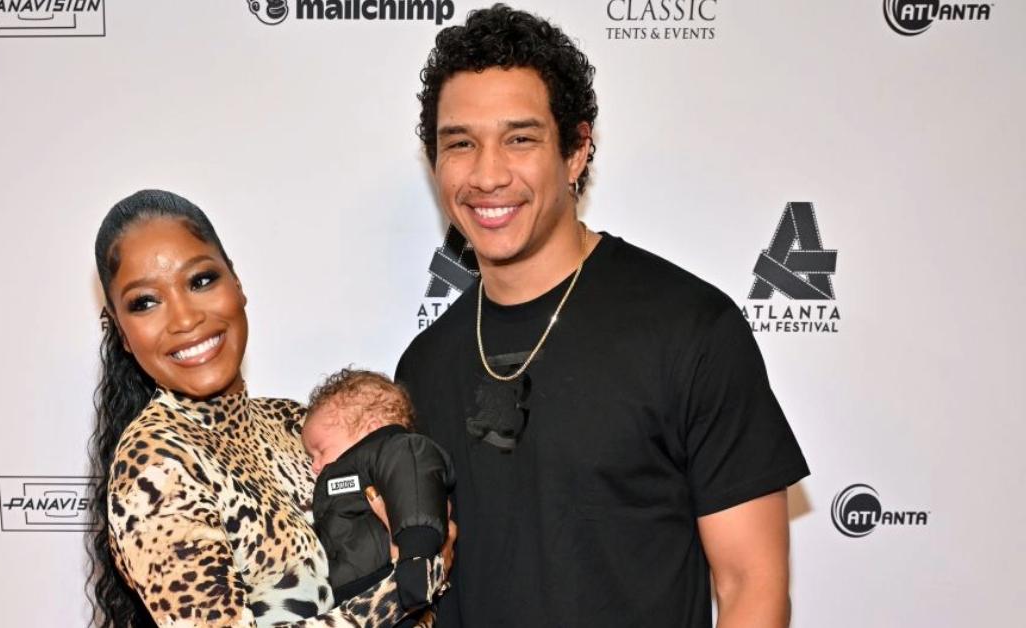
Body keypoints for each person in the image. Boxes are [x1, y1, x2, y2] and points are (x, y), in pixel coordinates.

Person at [395, 5, 810, 627]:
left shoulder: (690, 329)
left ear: (576, 152)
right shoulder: (423, 365)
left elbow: (752, 587)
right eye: (460, 143)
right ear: (436, 163)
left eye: (520, 138)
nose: (487, 174)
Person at [85, 189, 447, 628]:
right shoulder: (155, 464)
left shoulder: (292, 420)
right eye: (145, 302)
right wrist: (407, 587)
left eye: (200, 280)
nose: (183, 319)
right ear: (123, 334)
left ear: (237, 284)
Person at [302, 368, 453, 620]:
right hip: (350, 601)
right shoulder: (342, 479)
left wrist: (415, 555)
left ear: (372, 429)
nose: (314, 465)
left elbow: (415, 486)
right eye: (311, 457)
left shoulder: (399, 449)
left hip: (395, 579)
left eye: (320, 450)